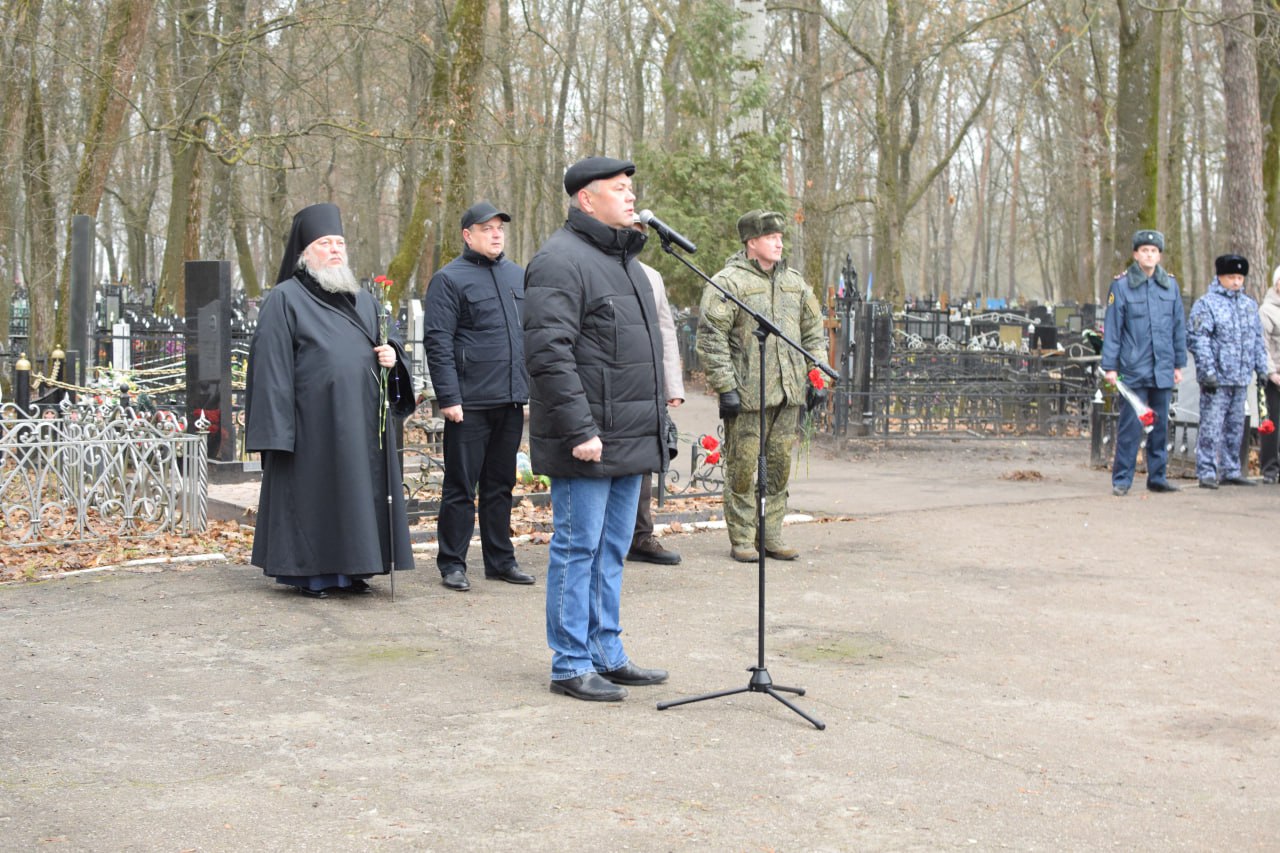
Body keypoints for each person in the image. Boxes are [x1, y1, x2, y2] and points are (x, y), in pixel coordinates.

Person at [524, 156, 669, 702]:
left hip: (629, 433)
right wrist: (580, 428)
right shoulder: (560, 261)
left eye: (632, 188)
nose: (631, 197)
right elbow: (548, 354)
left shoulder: (625, 260)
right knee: (577, 548)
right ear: (587, 199)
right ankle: (569, 662)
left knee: (611, 549)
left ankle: (607, 652)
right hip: (587, 438)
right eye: (619, 189)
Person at [246, 203, 416, 597]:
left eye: (340, 242)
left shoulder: (365, 301)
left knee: (357, 492)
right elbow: (270, 367)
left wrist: (393, 355)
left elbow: (387, 346)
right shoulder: (284, 299)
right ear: (306, 253)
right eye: (326, 243)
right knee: (316, 497)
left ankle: (356, 568)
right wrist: (277, 433)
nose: (336, 249)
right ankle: (314, 574)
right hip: (311, 425)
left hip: (359, 423)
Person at [695, 209, 826, 563]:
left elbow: (813, 331)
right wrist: (726, 386)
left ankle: (772, 535)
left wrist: (817, 376)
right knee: (742, 467)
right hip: (748, 394)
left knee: (780, 467)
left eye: (780, 237)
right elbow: (711, 338)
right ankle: (742, 537)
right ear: (752, 242)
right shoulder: (729, 283)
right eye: (771, 237)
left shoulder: (795, 283)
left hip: (788, 392)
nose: (779, 242)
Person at [423, 201, 534, 591]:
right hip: (468, 404)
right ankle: (452, 563)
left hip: (509, 400)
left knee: (500, 485)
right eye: (487, 228)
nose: (496, 233)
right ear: (468, 235)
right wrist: (449, 398)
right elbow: (437, 341)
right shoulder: (449, 279)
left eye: (500, 227)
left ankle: (500, 560)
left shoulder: (517, 276)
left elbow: (528, 336)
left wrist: (527, 390)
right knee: (459, 487)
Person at [1100, 229, 1187, 497]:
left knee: (1160, 426)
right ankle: (1122, 478)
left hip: (1162, 367)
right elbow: (1113, 329)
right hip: (1133, 368)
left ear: (1159, 256)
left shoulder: (1170, 286)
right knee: (1131, 426)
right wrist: (1111, 367)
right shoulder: (1122, 286)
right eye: (1144, 250)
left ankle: (1157, 476)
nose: (1149, 255)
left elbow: (1177, 327)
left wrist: (1178, 365)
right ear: (1136, 254)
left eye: (1154, 251)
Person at [1187, 254, 1279, 488]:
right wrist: (1207, 370)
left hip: (1240, 376)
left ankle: (1231, 469)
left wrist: (1261, 368)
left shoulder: (1248, 306)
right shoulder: (1207, 304)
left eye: (1239, 277)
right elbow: (1199, 339)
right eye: (1231, 277)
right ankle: (1207, 470)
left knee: (1235, 426)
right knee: (1211, 425)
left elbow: (1257, 340)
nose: (1236, 282)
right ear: (1220, 277)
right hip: (1216, 377)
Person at [626, 219, 685, 566]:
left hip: (647, 386)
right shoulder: (588, 266)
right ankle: (607, 537)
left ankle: (640, 536)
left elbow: (665, 330)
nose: (639, 236)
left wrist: (671, 385)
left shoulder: (651, 276)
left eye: (643, 231)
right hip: (609, 385)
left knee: (644, 461)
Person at [1259, 266, 1280, 483]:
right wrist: (1271, 372)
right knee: (1272, 423)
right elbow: (1262, 344)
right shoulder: (1267, 310)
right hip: (1275, 376)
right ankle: (1270, 469)